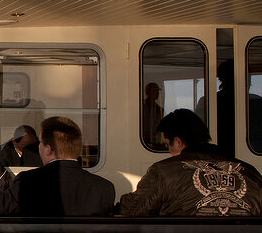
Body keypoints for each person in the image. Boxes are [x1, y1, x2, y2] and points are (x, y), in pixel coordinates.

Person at [120, 108, 262, 216]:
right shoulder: (250, 172)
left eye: (166, 145)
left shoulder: (163, 172)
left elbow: (133, 209)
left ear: (178, 141)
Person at [14, 116, 115, 216]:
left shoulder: (27, 182)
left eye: (40, 142)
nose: (38, 146)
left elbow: (1, 206)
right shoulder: (105, 188)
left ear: (48, 149)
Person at [141, 82, 164, 148]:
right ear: (148, 92)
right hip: (144, 141)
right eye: (154, 91)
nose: (157, 93)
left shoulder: (159, 109)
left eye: (157, 91)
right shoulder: (141, 108)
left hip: (156, 141)